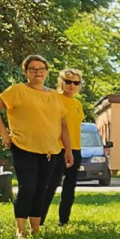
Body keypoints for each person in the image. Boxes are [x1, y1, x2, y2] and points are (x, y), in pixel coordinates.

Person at [0, 55, 72, 239]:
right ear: (26, 72)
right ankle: (20, 230)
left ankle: (36, 229)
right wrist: (5, 135)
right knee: (28, 188)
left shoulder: (55, 96)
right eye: (32, 69)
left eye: (41, 69)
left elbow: (63, 125)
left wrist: (69, 150)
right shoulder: (17, 90)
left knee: (41, 190)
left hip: (50, 151)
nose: (37, 72)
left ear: (47, 72)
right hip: (23, 147)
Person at [41, 67, 85, 226]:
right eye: (68, 81)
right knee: (50, 186)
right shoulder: (54, 98)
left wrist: (72, 150)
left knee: (69, 188)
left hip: (76, 149)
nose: (72, 85)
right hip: (57, 149)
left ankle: (64, 221)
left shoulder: (78, 104)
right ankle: (38, 222)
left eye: (76, 82)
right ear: (61, 82)